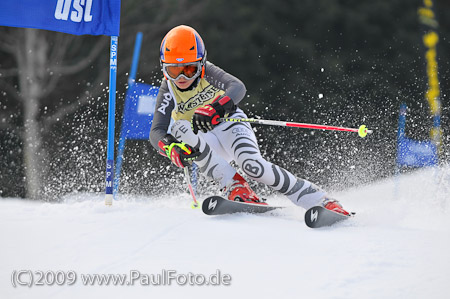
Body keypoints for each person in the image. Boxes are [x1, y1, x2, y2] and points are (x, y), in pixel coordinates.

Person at [149, 25, 349, 215]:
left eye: (189, 69)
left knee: (253, 166)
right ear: (164, 69)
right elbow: (156, 131)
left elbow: (237, 87)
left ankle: (321, 200)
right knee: (178, 129)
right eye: (174, 70)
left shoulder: (208, 73)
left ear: (201, 64)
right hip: (205, 143)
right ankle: (235, 186)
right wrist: (171, 148)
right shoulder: (169, 90)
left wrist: (215, 108)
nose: (182, 77)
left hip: (229, 124)